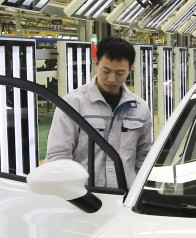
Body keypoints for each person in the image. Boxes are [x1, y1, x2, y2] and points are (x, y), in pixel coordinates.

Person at [45, 37, 153, 190]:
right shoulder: (73, 104)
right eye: (106, 71)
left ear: (131, 69)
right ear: (96, 63)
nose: (111, 79)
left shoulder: (140, 109)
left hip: (124, 199)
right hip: (84, 198)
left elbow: (143, 158)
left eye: (120, 73)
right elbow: (58, 156)